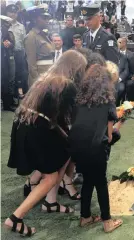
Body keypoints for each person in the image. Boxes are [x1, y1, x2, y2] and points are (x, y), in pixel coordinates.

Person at [5, 56, 85, 236]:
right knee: (50, 177)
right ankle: (16, 218)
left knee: (65, 152)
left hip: (23, 125)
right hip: (37, 130)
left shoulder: (45, 78)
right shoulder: (67, 85)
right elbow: (74, 116)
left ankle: (50, 201)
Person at [69, 64, 123, 233]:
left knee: (88, 181)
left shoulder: (78, 100)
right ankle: (107, 221)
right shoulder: (108, 102)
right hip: (96, 147)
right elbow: (109, 135)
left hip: (76, 146)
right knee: (100, 183)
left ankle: (85, 217)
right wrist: (122, 122)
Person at [24, 6, 53, 87]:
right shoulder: (31, 36)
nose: (47, 20)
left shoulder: (43, 35)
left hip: (47, 76)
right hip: (40, 80)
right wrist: (38, 83)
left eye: (47, 18)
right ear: (34, 19)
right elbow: (31, 64)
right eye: (44, 18)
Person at [6, 4, 27, 99]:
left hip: (19, 53)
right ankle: (9, 96)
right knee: (9, 76)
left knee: (20, 74)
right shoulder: (3, 26)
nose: (12, 14)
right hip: (7, 54)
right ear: (7, 13)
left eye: (14, 12)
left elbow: (24, 41)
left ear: (17, 14)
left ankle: (18, 92)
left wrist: (24, 53)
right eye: (10, 12)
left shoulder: (21, 26)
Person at [1, 15, 16, 111]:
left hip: (8, 59)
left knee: (10, 80)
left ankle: (9, 102)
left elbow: (13, 44)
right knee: (4, 82)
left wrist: (10, 44)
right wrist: (2, 44)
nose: (7, 26)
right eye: (5, 24)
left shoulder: (9, 33)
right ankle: (6, 103)